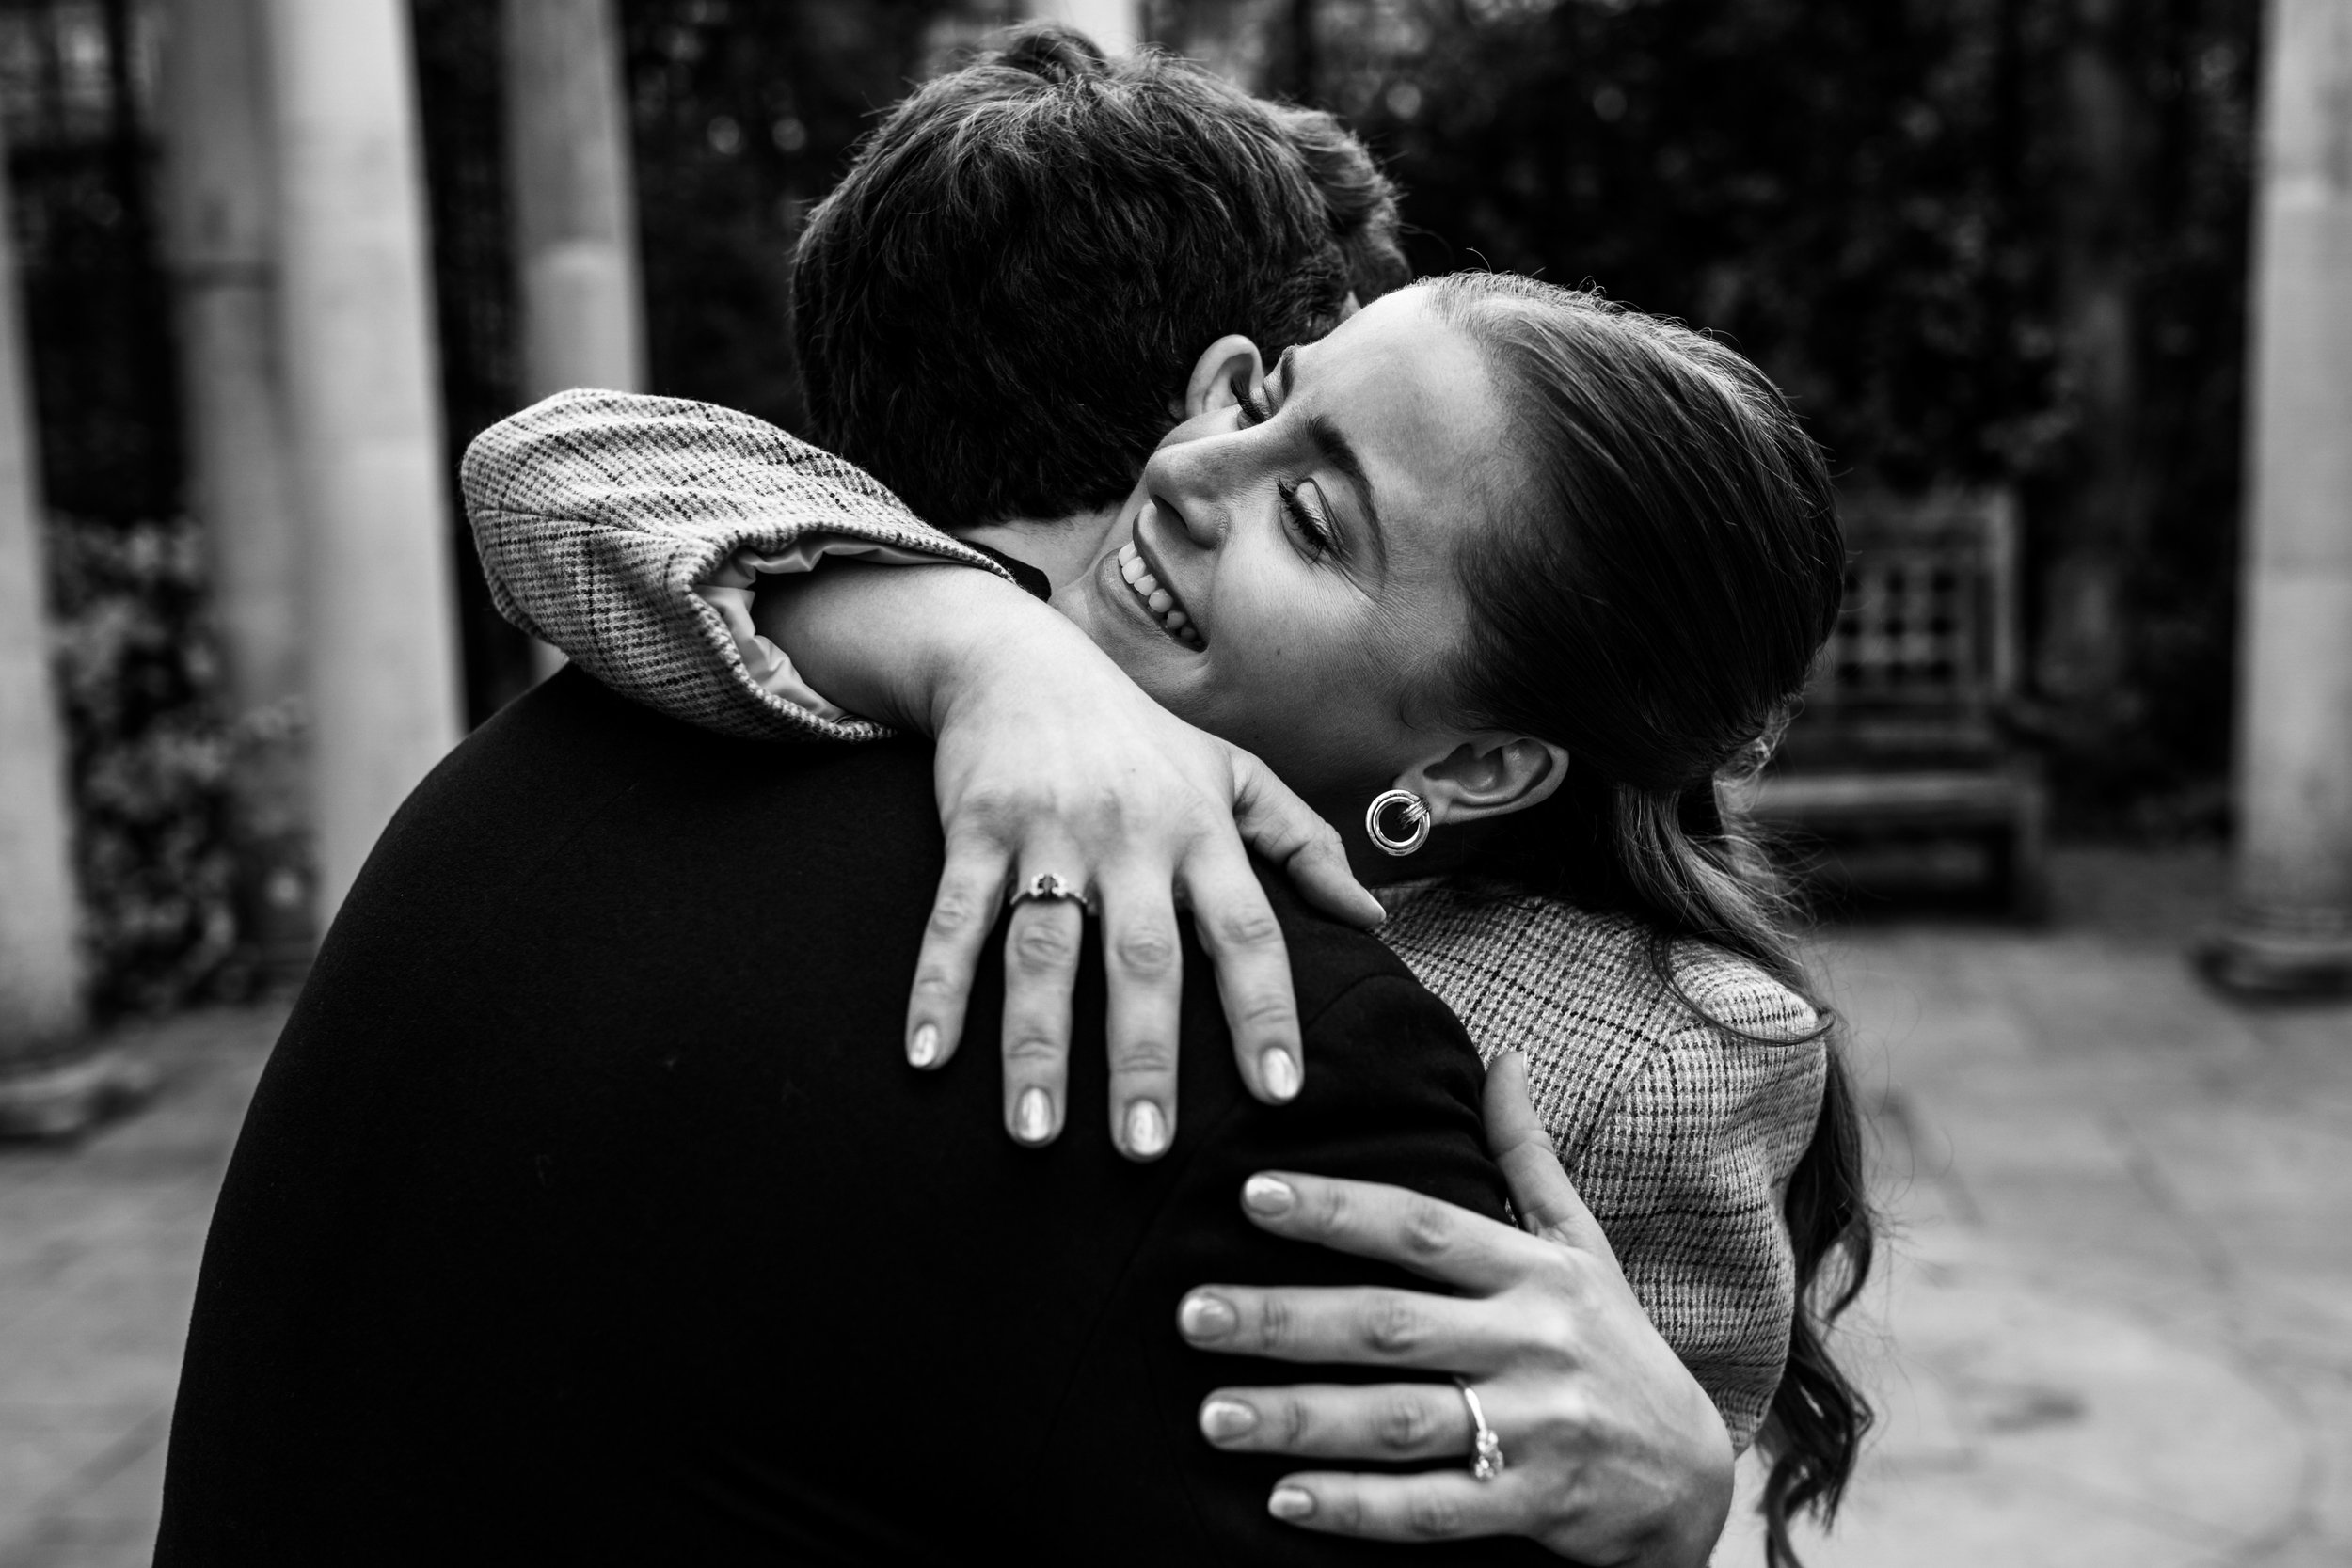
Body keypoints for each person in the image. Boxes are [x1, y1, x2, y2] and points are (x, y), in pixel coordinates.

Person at [155, 25, 1742, 1568]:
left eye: (1315, 513)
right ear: (1207, 376)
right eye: (1260, 409)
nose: (1199, 471)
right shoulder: (1258, 1034)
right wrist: (1677, 1520)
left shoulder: (531, 770)